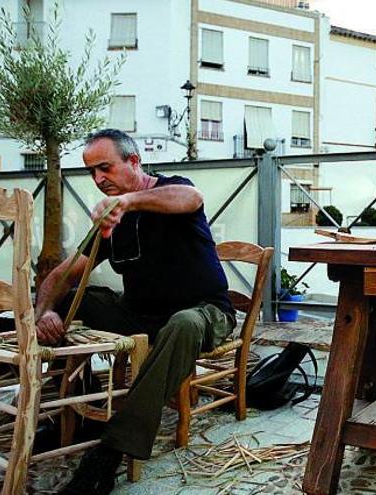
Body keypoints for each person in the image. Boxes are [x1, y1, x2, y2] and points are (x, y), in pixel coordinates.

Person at [34, 129, 236, 494]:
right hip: (140, 317)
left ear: (133, 161)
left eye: (105, 168)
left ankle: (111, 451)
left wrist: (130, 201)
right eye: (92, 172)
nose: (98, 179)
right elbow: (62, 274)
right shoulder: (112, 224)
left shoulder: (171, 189)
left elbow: (191, 197)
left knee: (184, 322)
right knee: (71, 300)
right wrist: (44, 312)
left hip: (203, 313)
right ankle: (78, 407)